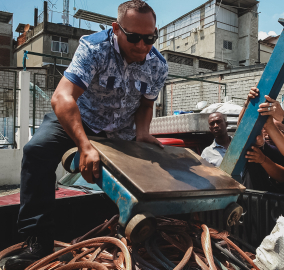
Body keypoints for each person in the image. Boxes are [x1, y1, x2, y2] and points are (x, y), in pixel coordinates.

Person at [5, 1, 168, 269]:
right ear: (116, 29)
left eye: (150, 38)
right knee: (36, 151)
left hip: (120, 130)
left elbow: (146, 104)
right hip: (80, 121)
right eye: (134, 38)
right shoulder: (94, 48)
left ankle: (127, 238)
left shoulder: (157, 65)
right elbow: (62, 97)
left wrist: (142, 134)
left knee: (138, 176)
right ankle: (37, 242)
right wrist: (85, 144)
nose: (142, 45)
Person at [237, 89, 284, 193]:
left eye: (275, 131)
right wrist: (248, 104)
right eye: (265, 129)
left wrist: (263, 160)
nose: (268, 134)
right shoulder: (255, 147)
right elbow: (242, 131)